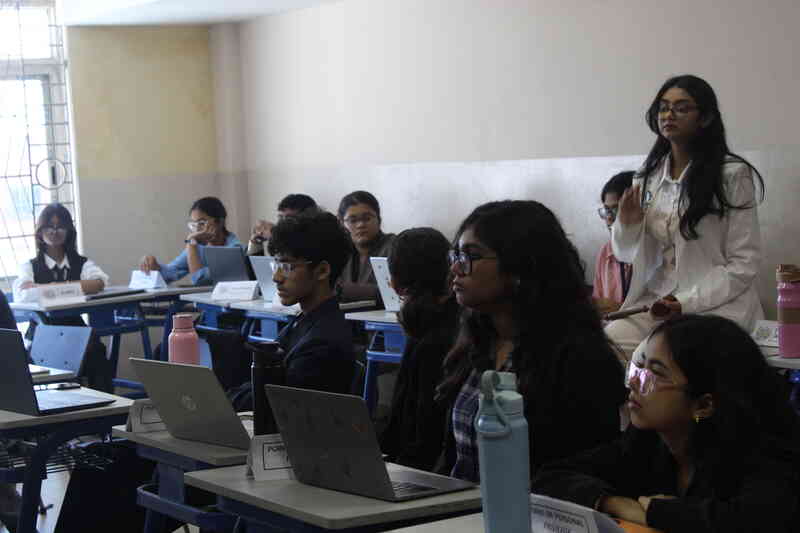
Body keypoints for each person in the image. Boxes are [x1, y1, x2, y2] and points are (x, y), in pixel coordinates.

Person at [532, 314, 800, 533]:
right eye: (639, 367)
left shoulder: (765, 452)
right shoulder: (649, 439)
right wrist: (617, 504)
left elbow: (753, 522)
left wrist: (656, 513)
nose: (634, 382)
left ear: (703, 405)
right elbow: (551, 477)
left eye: (655, 374)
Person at [437, 200, 627, 483]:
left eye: (471, 256)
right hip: (457, 504)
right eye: (456, 255)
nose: (456, 268)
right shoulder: (475, 344)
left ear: (520, 267)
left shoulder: (579, 359)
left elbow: (576, 476)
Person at [605, 75, 765, 360]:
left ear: (705, 118)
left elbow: (744, 263)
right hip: (658, 301)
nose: (669, 115)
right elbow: (625, 254)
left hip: (717, 304)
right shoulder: (647, 176)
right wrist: (627, 225)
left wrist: (684, 302)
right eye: (663, 107)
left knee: (654, 355)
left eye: (681, 108)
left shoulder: (732, 174)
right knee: (608, 343)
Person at [228, 210, 356, 410]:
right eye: (276, 265)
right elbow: (261, 385)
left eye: (287, 267)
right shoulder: (305, 319)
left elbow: (271, 400)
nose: (276, 277)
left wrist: (224, 400)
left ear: (322, 271)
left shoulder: (322, 342)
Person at [379, 228, 460, 472]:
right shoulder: (459, 323)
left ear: (394, 284)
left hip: (421, 470)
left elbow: (420, 432)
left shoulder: (428, 338)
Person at [12, 203, 113, 391]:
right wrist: (75, 287)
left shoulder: (81, 262)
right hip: (42, 332)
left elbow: (98, 282)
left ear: (69, 231)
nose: (54, 232)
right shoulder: (29, 265)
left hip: (76, 331)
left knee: (97, 353)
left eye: (60, 227)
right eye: (49, 227)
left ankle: (105, 404)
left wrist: (50, 288)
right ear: (40, 231)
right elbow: (23, 293)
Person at [139, 196, 241, 286]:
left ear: (220, 222)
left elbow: (200, 280)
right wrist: (155, 267)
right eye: (194, 224)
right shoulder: (199, 247)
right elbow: (171, 272)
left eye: (202, 223)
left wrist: (191, 242)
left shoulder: (235, 249)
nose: (197, 230)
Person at [337, 191, 395, 303]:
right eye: (353, 220)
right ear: (342, 224)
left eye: (367, 218)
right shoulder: (340, 251)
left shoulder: (394, 246)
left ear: (379, 220)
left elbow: (397, 292)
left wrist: (351, 291)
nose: (360, 225)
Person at [593, 171, 634, 316]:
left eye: (616, 209)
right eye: (606, 210)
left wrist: (622, 310)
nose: (609, 218)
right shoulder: (605, 252)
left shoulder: (655, 251)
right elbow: (597, 301)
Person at [247, 193, 318, 256]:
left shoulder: (312, 242)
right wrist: (255, 243)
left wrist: (274, 234)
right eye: (280, 217)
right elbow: (259, 266)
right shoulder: (280, 239)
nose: (282, 223)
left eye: (289, 219)